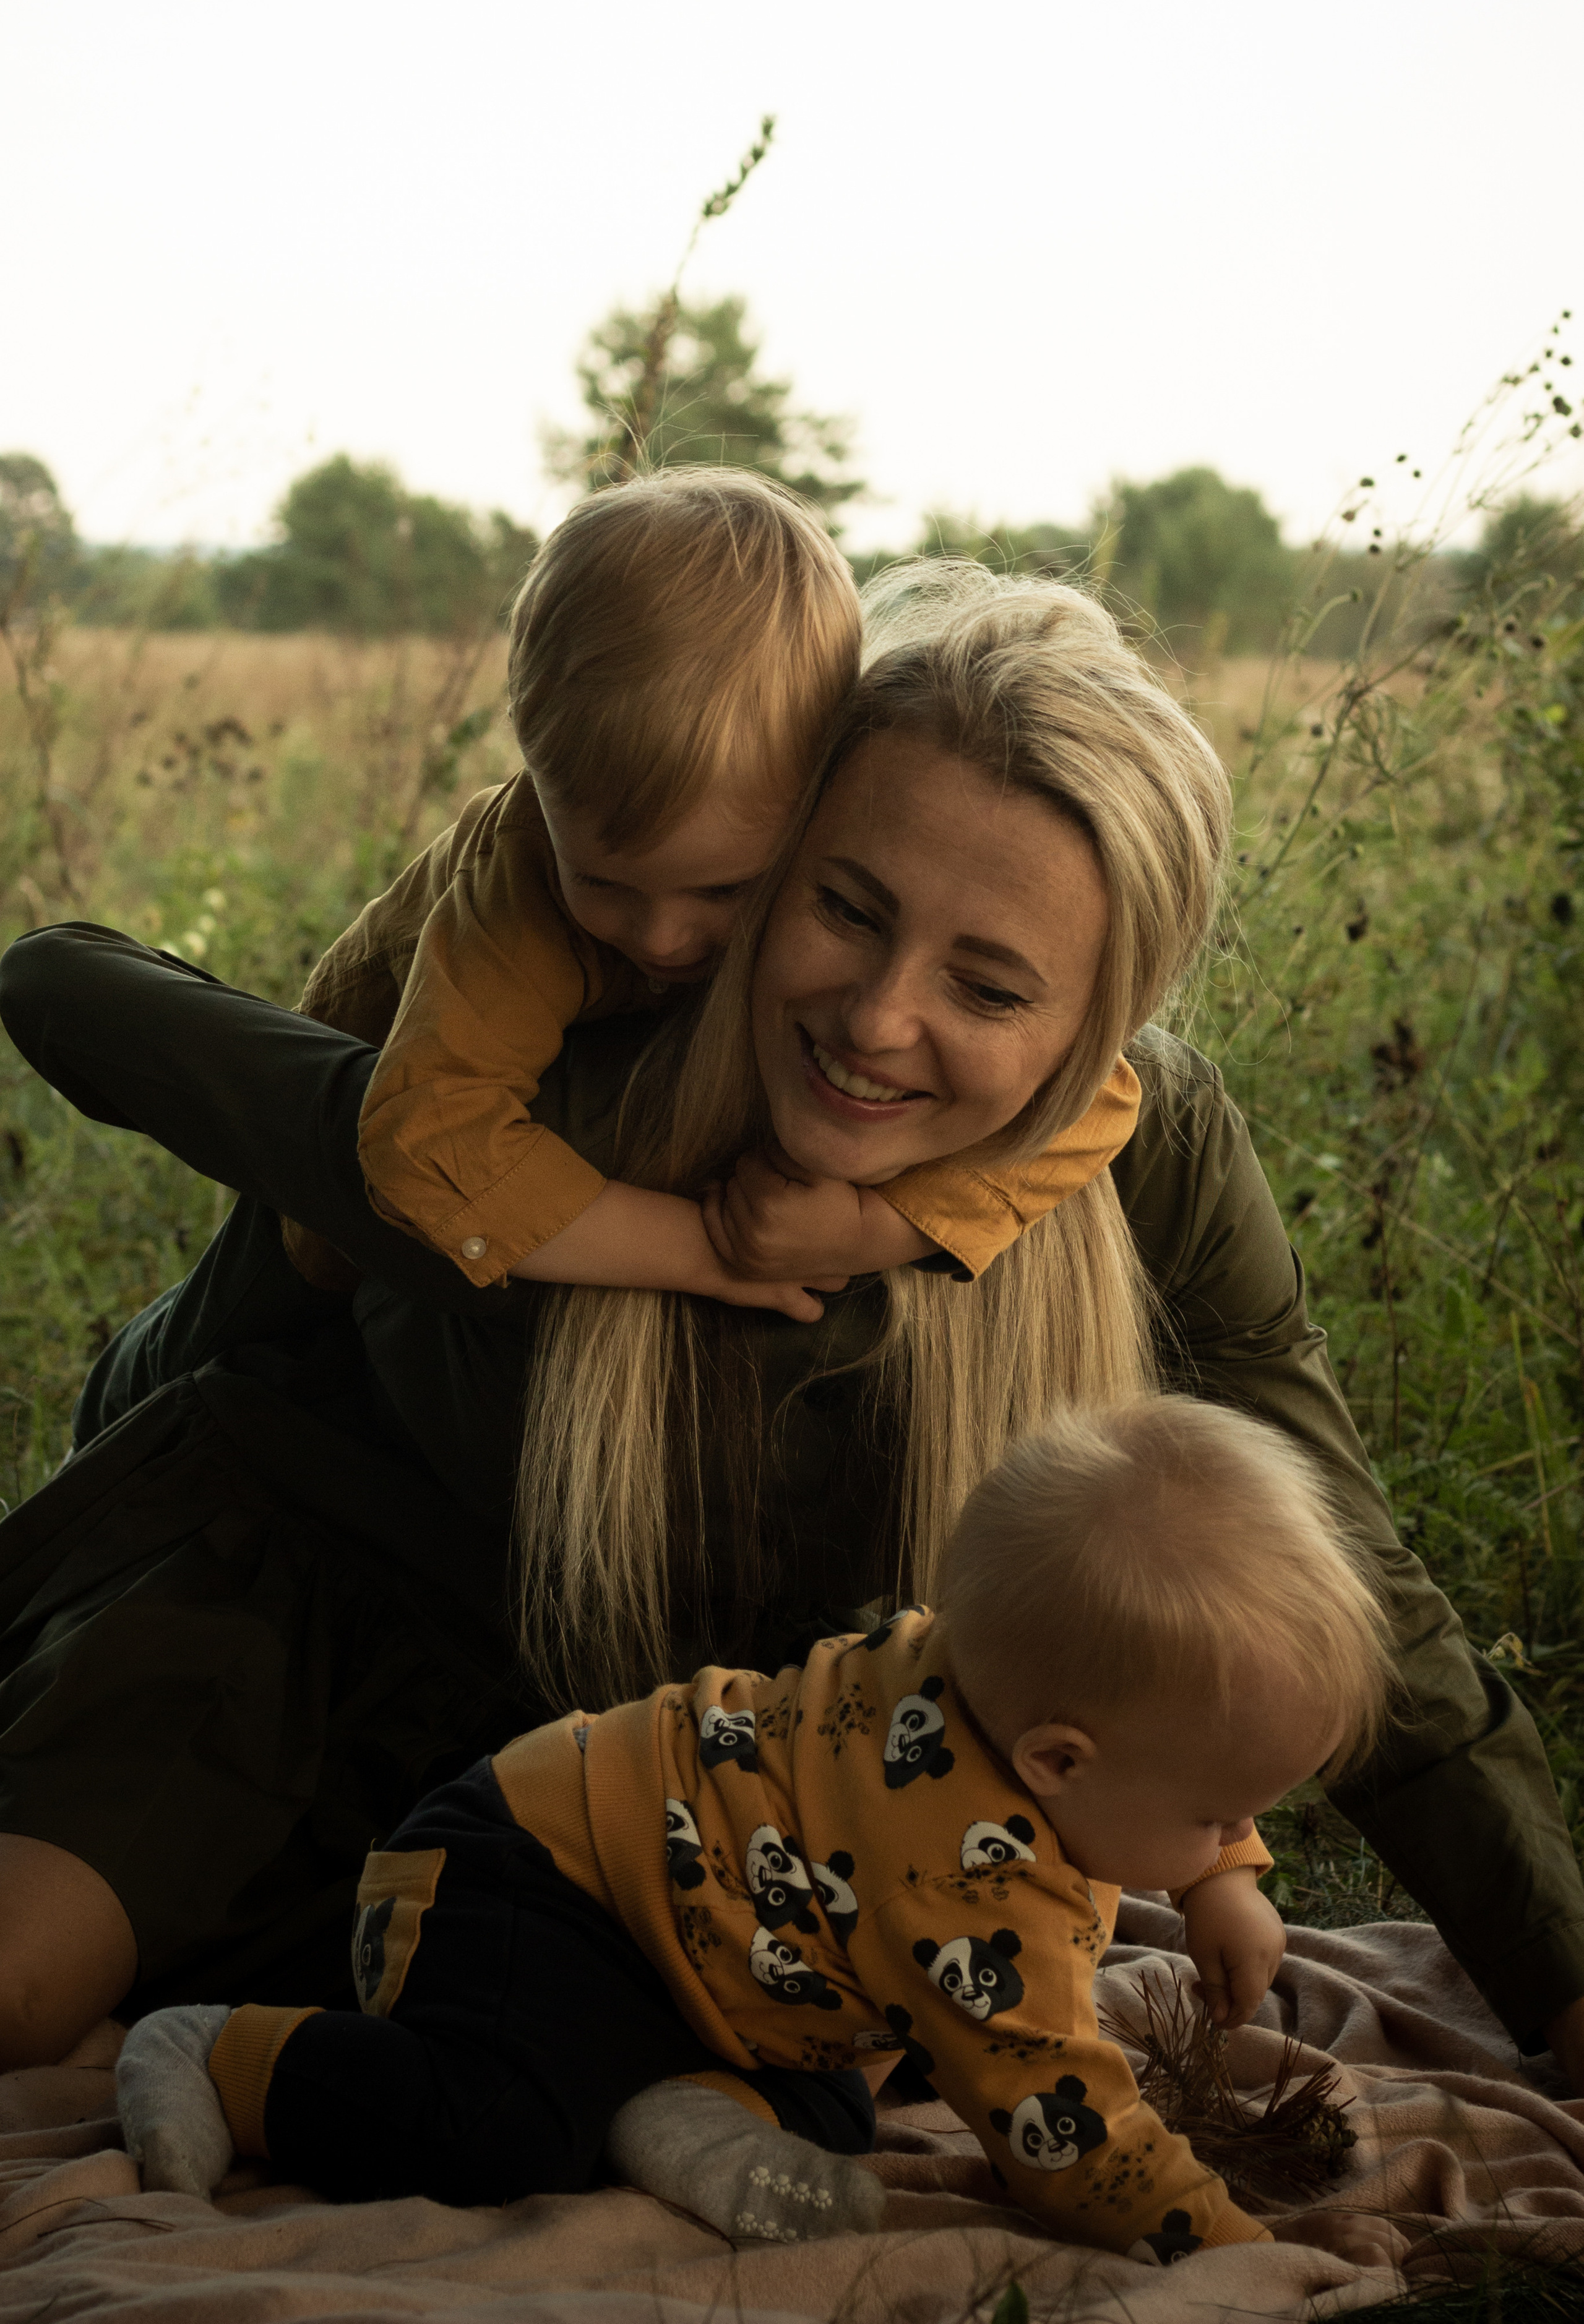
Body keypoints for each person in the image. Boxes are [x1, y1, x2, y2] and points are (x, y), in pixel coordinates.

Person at [1, 565, 1580, 2106]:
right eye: (845, 908)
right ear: (778, 860)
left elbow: (1352, 1578)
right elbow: (134, 1108)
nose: (878, 1019)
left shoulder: (1144, 1151)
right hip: (313, 1651)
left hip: (663, 1806)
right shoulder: (555, 1067)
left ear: (1091, 1032)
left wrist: (1557, 1978)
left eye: (987, 983)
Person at [114, 1394, 1394, 2261]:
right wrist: (1222, 2243)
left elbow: (1169, 1759)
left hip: (721, 1950)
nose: (1239, 1832)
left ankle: (680, 2098)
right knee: (501, 2127)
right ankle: (234, 2059)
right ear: (1058, 1760)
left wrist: (1224, 1873)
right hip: (531, 1876)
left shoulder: (999, 1674)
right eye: (1222, 1815)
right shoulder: (959, 1889)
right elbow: (1061, 2134)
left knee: (842, 2114)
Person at [289, 467, 1137, 1318]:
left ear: (815, 786)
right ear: (539, 783)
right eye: (604, 881)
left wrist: (871, 1231)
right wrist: (708, 1253)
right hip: (326, 1182)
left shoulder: (820, 822)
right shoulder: (520, 887)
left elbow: (1098, 1095)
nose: (660, 938)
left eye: (728, 889)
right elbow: (423, 1144)